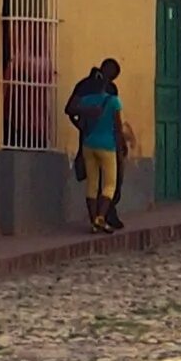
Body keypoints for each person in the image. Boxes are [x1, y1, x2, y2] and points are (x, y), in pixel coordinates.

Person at [66, 58, 134, 232]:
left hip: (90, 140)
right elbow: (70, 109)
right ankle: (101, 216)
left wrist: (82, 121)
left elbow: (71, 110)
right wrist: (121, 144)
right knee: (110, 182)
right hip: (106, 142)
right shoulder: (89, 87)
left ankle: (100, 218)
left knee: (95, 182)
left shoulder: (93, 88)